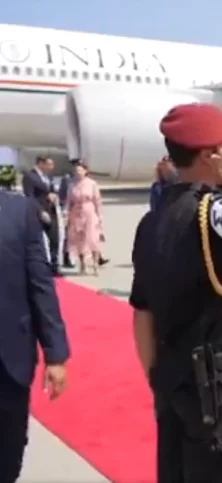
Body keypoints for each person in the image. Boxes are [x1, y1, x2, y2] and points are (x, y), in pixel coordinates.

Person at [129, 103, 222, 482]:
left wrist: (158, 381)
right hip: (214, 387)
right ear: (209, 155)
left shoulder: (152, 221)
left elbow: (142, 314)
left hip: (170, 375)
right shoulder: (214, 211)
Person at [0, 189, 70, 482]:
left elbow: (40, 283)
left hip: (8, 359)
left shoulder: (19, 211)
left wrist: (56, 354)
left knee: (8, 455)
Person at [22, 156, 62, 276]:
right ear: (40, 163)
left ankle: (54, 266)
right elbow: (29, 196)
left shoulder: (48, 176)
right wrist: (40, 211)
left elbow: (52, 190)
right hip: (37, 213)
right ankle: (38, 267)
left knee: (55, 239)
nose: (52, 167)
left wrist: (54, 195)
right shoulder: (29, 177)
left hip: (51, 211)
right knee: (37, 242)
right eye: (49, 164)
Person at [65, 161, 105, 276]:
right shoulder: (72, 185)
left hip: (89, 212)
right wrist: (66, 213)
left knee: (93, 238)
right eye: (76, 170)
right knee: (79, 240)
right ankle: (82, 265)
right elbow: (68, 201)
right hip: (76, 213)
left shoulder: (92, 184)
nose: (78, 172)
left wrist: (99, 216)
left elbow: (97, 201)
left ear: (85, 171)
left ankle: (95, 264)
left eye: (80, 170)